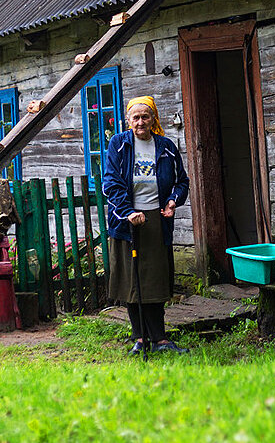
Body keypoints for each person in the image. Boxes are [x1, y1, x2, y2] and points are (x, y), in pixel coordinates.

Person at [103, 96, 190, 355]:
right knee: (133, 281)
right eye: (136, 117)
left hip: (156, 220)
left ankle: (160, 339)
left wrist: (173, 201)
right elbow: (111, 183)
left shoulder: (166, 147)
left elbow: (181, 181)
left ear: (154, 119)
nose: (141, 122)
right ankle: (139, 338)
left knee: (154, 281)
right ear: (128, 120)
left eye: (145, 116)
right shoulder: (118, 144)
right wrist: (128, 212)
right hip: (127, 221)